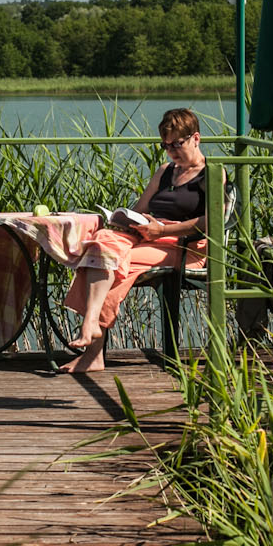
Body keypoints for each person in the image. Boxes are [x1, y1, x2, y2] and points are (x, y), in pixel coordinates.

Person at [60, 108, 211, 373]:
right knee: (100, 245)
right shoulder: (165, 171)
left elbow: (211, 222)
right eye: (166, 145)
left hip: (184, 246)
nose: (172, 150)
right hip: (150, 238)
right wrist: (126, 221)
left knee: (117, 262)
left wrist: (163, 232)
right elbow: (140, 209)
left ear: (195, 138)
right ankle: (92, 334)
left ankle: (92, 347)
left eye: (178, 143)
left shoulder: (210, 175)